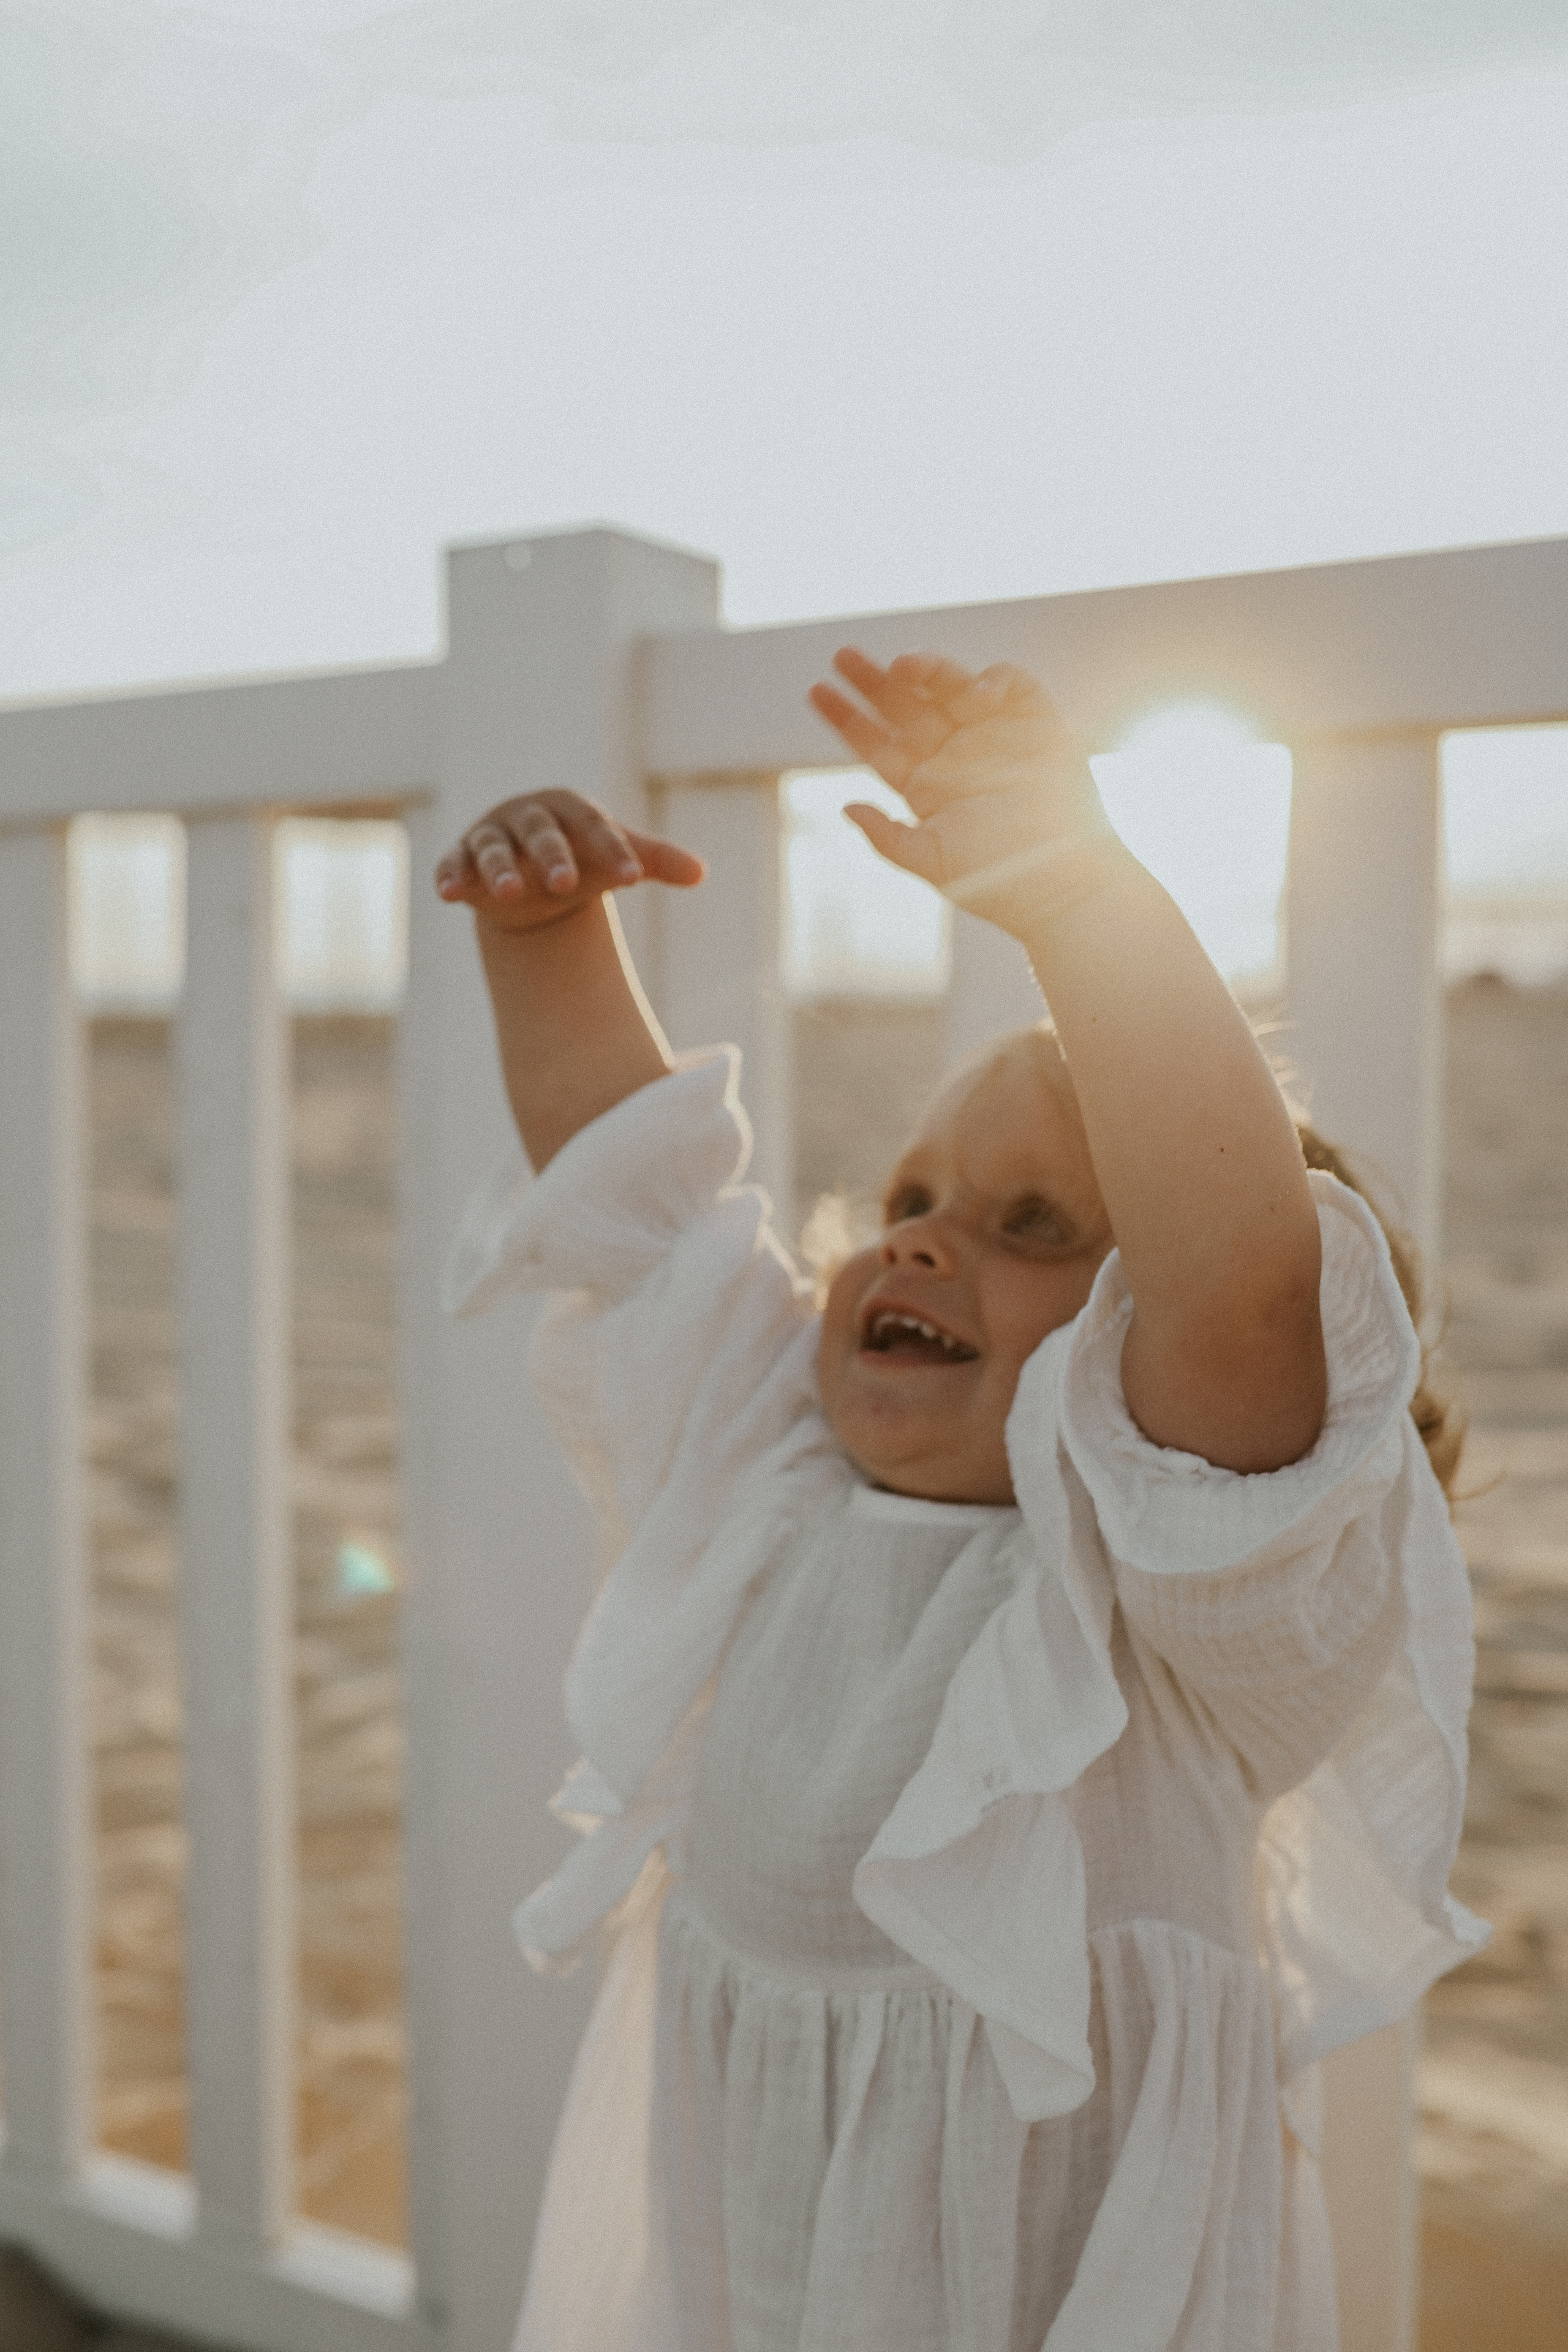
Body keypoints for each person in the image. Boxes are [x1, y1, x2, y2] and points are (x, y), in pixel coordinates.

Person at [435, 651, 1485, 2352]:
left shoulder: (1172, 1616)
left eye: (1033, 1228)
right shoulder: (767, 1460)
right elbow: (639, 1218)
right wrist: (547, 937)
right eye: (912, 1198)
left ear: (1142, 1346)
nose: (921, 1241)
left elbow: (1240, 1291)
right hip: (750, 2249)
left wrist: (1077, 904)